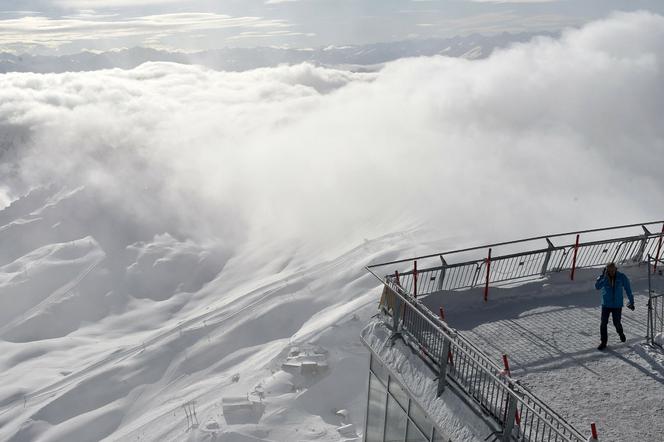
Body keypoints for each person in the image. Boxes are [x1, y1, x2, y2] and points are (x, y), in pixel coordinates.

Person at [594, 262, 634, 350]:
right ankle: (603, 342)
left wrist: (632, 301)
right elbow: (597, 287)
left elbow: (628, 289)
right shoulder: (604, 278)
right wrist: (603, 277)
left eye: (613, 270)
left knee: (617, 323)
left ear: (616, 269)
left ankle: (621, 333)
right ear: (607, 270)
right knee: (603, 323)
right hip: (606, 304)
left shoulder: (621, 277)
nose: (611, 272)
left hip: (617, 305)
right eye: (609, 271)